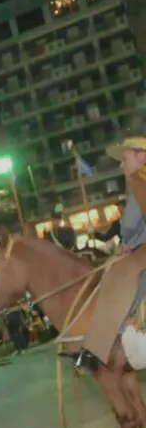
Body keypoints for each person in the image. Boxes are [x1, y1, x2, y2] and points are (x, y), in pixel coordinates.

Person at [75, 136, 146, 372]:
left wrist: (129, 244)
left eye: (124, 159)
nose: (121, 165)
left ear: (141, 156)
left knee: (116, 282)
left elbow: (131, 226)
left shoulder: (140, 181)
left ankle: (104, 346)